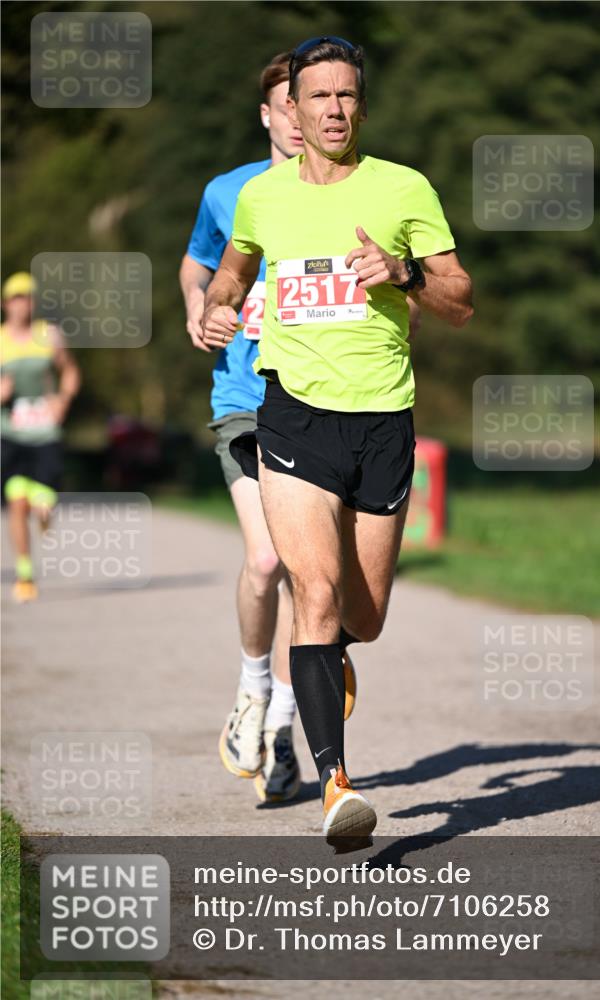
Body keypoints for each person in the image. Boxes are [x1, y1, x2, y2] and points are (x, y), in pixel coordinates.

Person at [202, 36, 473, 843]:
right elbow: (232, 269)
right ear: (291, 107)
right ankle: (335, 786)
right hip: (292, 414)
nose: (333, 110)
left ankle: (329, 656)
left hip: (382, 419)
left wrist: (404, 273)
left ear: (361, 103)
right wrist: (218, 305)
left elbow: (460, 301)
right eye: (318, 96)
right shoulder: (261, 197)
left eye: (346, 95)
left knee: (365, 613)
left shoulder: (402, 188)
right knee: (311, 593)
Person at [180, 53, 357, 805]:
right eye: (287, 105)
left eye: (310, 103)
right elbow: (196, 266)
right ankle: (253, 686)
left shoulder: (348, 192)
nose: (300, 117)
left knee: (309, 576)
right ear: (269, 113)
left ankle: (284, 724)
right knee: (264, 560)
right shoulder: (230, 192)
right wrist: (199, 311)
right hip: (245, 397)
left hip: (324, 400)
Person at [1, 271, 80, 603]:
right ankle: (25, 574)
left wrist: (63, 400)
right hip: (10, 434)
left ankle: (45, 511)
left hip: (45, 432)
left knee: (43, 501)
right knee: (17, 501)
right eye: (16, 298)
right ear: (6, 303)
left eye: (28, 297)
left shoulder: (49, 335)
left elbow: (70, 371)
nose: (23, 304)